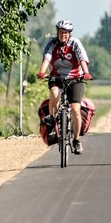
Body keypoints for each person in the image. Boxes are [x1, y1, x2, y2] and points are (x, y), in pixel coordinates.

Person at [37, 19, 93, 154]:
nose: (64, 35)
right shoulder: (52, 43)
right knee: (55, 93)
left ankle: (76, 140)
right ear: (57, 32)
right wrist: (42, 72)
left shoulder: (75, 43)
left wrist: (86, 73)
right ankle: (53, 121)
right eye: (61, 32)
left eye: (66, 33)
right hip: (57, 77)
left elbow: (82, 59)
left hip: (75, 78)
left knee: (75, 109)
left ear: (70, 34)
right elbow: (47, 59)